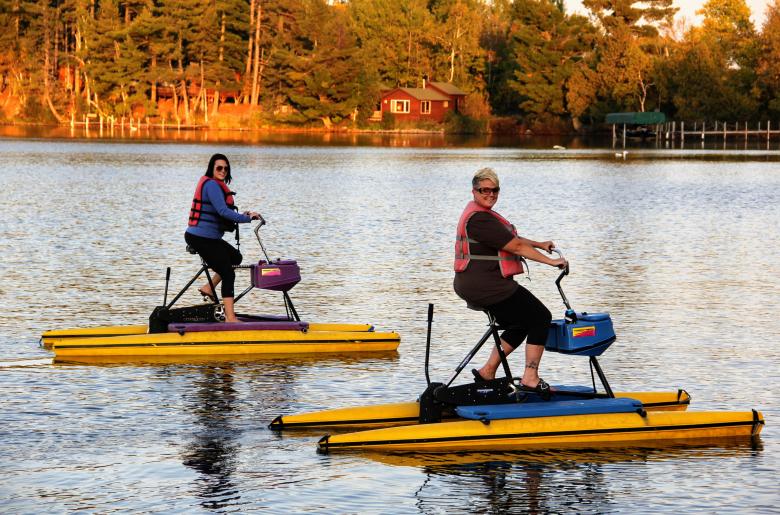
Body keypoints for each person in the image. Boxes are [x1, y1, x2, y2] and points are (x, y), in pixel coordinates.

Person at [453, 167, 566, 397]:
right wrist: (551, 262)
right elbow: (514, 246)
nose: (490, 194)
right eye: (484, 190)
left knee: (520, 322)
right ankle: (530, 378)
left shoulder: (480, 215)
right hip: (486, 285)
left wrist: (539, 244)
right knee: (540, 316)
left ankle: (487, 371)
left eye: (495, 190)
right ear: (474, 191)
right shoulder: (480, 219)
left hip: (477, 283)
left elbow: (510, 239)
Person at [185, 153, 261, 323]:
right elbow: (222, 212)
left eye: (226, 168)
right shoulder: (211, 185)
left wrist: (244, 215)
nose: (223, 171)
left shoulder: (215, 185)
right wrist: (247, 218)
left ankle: (208, 288)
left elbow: (224, 212)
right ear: (212, 169)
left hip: (208, 238)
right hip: (200, 238)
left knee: (235, 257)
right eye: (219, 168)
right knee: (228, 273)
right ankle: (230, 318)